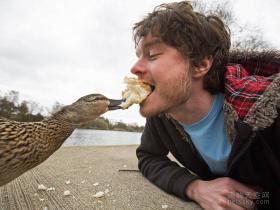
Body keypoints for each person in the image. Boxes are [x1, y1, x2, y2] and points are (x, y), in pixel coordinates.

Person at [130, 1, 280, 209]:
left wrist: (262, 201)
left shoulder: (268, 110)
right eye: (138, 57)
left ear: (200, 65)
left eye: (152, 55)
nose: (134, 68)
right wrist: (194, 187)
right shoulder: (164, 114)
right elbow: (148, 156)